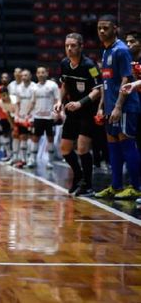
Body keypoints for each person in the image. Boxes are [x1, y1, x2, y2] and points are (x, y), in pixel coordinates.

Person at [95, 15, 141, 199]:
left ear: (116, 29)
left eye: (105, 28)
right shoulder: (106, 51)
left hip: (125, 107)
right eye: (99, 28)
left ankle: (136, 187)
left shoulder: (121, 50)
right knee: (112, 146)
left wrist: (118, 106)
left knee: (127, 145)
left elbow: (127, 78)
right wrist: (102, 107)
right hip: (110, 107)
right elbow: (106, 82)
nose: (101, 31)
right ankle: (116, 186)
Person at [54, 33, 102, 196]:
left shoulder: (90, 65)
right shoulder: (64, 63)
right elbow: (65, 85)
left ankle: (87, 184)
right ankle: (78, 175)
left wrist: (80, 103)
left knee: (82, 148)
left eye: (73, 45)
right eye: (67, 45)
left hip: (88, 111)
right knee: (65, 149)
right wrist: (60, 101)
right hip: (71, 111)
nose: (69, 48)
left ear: (81, 46)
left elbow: (98, 90)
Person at [29, 66, 61, 169]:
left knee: (50, 139)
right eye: (39, 72)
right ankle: (33, 160)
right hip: (38, 117)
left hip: (49, 117)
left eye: (43, 72)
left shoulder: (52, 85)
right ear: (36, 74)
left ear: (46, 74)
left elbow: (58, 100)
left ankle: (50, 161)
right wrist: (27, 114)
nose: (41, 74)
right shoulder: (34, 87)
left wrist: (58, 113)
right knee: (35, 138)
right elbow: (32, 102)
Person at [13, 69, 34, 168]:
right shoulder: (18, 88)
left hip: (32, 116)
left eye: (26, 75)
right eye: (22, 76)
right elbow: (17, 103)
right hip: (21, 116)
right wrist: (17, 115)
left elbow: (34, 103)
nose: (24, 77)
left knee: (32, 138)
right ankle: (23, 159)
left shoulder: (34, 87)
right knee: (22, 138)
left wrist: (30, 114)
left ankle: (31, 159)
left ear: (30, 76)